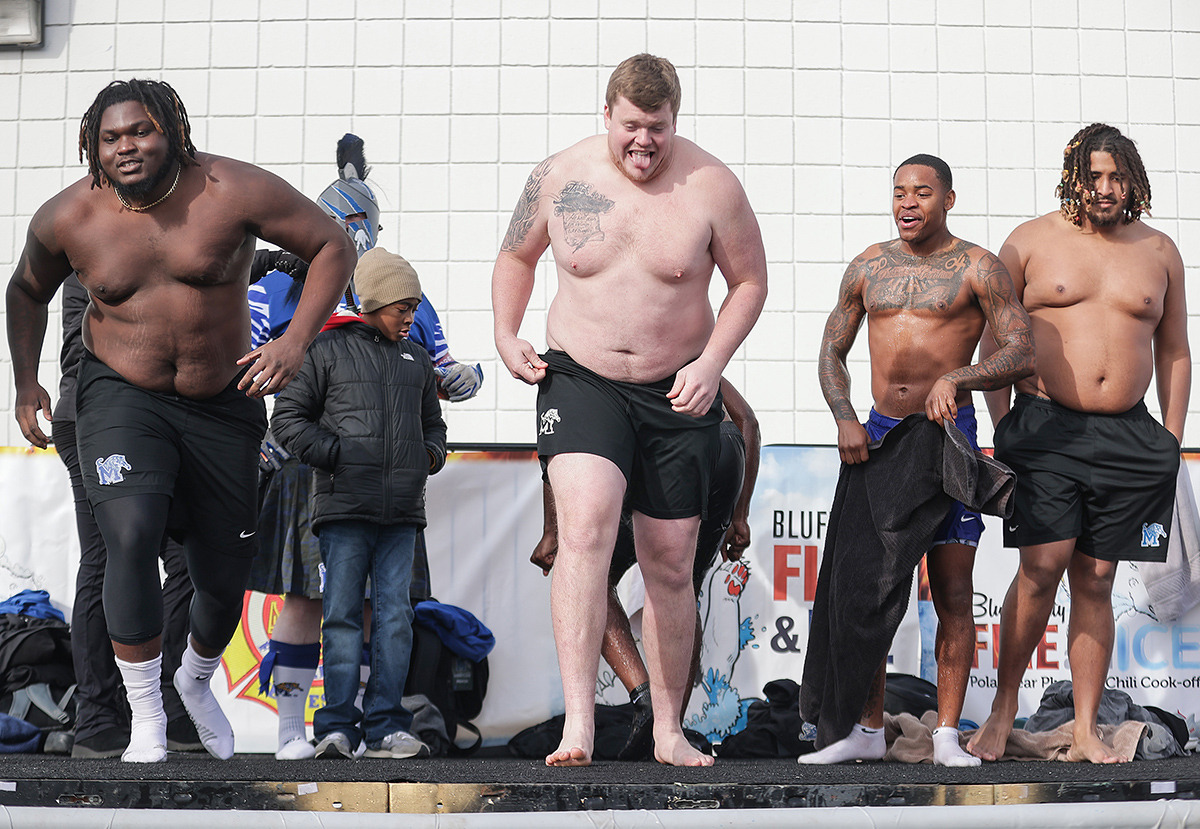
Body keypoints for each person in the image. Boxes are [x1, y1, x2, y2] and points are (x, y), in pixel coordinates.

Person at [6, 79, 356, 763]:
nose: (127, 147)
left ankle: (194, 679)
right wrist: (26, 382)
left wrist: (294, 342)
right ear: (93, 147)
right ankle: (145, 717)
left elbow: (332, 246)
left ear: (172, 130)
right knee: (129, 533)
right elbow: (25, 288)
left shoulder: (229, 190)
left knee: (221, 577)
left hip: (221, 401)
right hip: (119, 395)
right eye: (112, 138)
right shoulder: (70, 216)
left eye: (140, 131)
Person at [492, 53, 768, 767]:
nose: (644, 143)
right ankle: (578, 725)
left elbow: (749, 282)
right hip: (580, 377)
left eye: (659, 129)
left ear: (676, 121)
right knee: (584, 528)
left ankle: (668, 728)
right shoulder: (560, 175)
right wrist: (504, 332)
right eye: (632, 128)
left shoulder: (712, 185)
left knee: (670, 560)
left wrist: (712, 364)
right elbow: (516, 257)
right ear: (607, 115)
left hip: (676, 385)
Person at [248, 135, 483, 760]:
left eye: (361, 223)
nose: (353, 234)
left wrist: (465, 379)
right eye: (339, 222)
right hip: (304, 462)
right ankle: (296, 731)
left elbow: (441, 371)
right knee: (306, 599)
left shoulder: (406, 293)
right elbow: (239, 367)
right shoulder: (273, 286)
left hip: (391, 471)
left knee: (385, 606)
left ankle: (381, 724)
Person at [967, 124, 1190, 765]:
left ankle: (1087, 728)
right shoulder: (1031, 243)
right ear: (1073, 178)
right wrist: (1004, 419)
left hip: (1130, 435)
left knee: (1097, 578)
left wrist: (1171, 438)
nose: (1106, 189)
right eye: (1093, 176)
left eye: (1117, 177)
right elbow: (994, 338)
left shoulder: (1160, 251)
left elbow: (1175, 349)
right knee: (1041, 567)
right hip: (1045, 427)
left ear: (1135, 182)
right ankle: (1005, 708)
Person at [807, 154, 1034, 766]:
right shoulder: (868, 267)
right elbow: (832, 350)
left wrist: (961, 375)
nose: (909, 203)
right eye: (900, 192)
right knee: (871, 592)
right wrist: (845, 416)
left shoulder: (978, 268)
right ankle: (866, 731)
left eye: (923, 193)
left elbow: (1022, 348)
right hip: (879, 437)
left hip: (946, 437)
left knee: (954, 590)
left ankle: (945, 737)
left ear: (948, 200)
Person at [270, 247, 448, 760]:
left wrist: (429, 455)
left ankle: (388, 726)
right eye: (402, 307)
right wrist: (338, 455)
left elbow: (433, 424)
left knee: (395, 619)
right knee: (341, 617)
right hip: (343, 511)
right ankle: (337, 728)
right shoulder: (323, 350)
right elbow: (286, 421)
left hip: (401, 515)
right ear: (372, 302)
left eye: (414, 306)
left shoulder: (415, 358)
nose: (411, 317)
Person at [530, 378, 760, 760]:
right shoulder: (683, 354)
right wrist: (741, 515)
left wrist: (552, 530)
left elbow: (563, 457)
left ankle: (647, 699)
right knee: (681, 582)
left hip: (676, 447)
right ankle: (670, 729)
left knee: (588, 576)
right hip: (722, 448)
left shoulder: (595, 363)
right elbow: (747, 421)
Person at [51, 273, 201, 759]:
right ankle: (98, 715)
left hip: (155, 421)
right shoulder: (96, 255)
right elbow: (85, 347)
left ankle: (165, 702)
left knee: (184, 559)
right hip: (96, 418)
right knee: (107, 555)